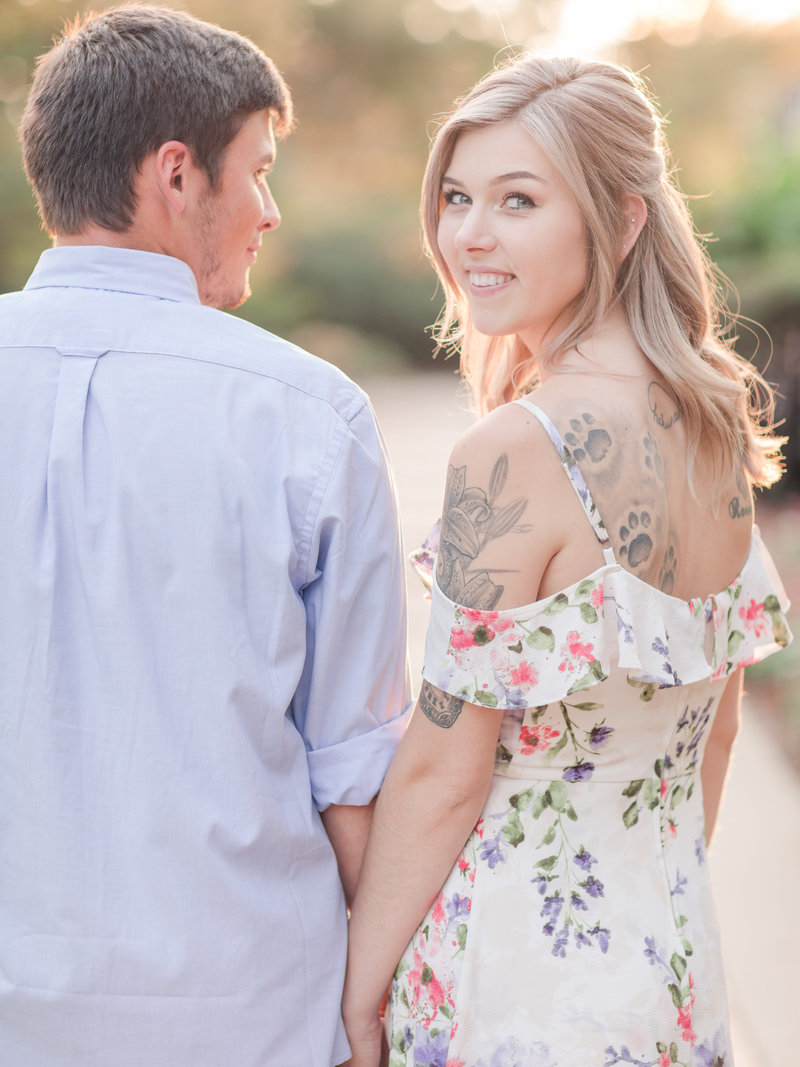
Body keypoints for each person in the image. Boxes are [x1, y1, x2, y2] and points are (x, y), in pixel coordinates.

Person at [342, 54, 792, 1066]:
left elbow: (440, 772)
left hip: (510, 990)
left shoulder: (510, 452)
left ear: (620, 219)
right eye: (456, 198)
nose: (469, 234)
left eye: (517, 199)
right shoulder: (713, 428)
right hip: (669, 971)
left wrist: (355, 992)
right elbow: (713, 730)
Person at [0, 6, 412, 1066]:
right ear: (177, 175)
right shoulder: (306, 413)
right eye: (258, 170)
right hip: (248, 1011)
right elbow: (351, 769)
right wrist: (382, 1010)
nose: (268, 211)